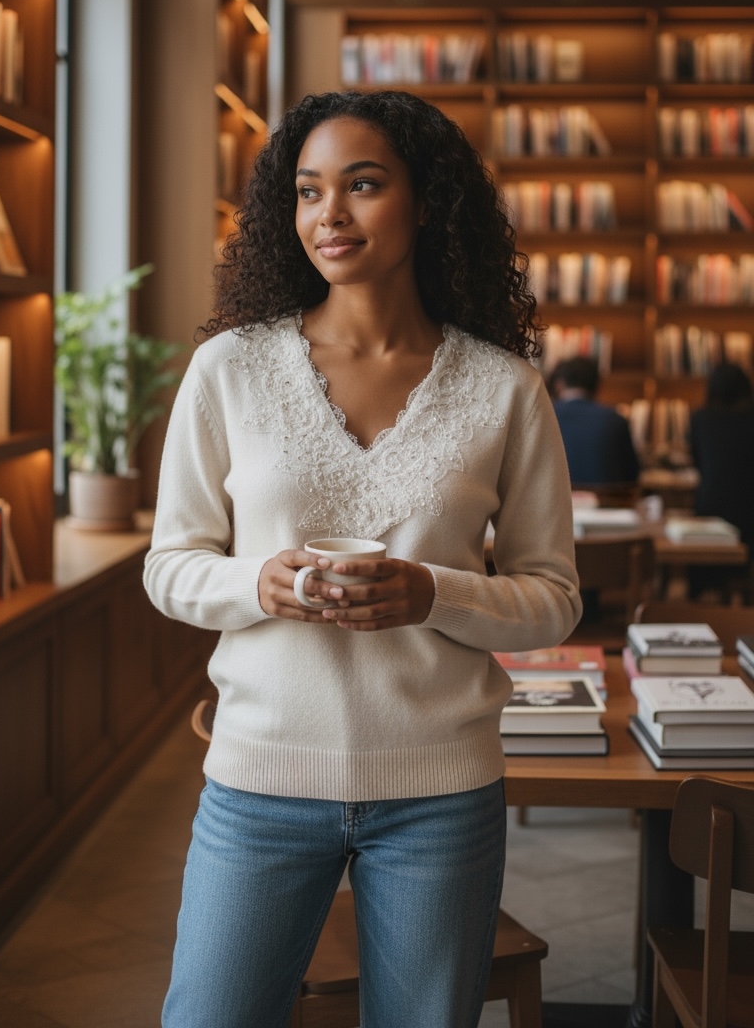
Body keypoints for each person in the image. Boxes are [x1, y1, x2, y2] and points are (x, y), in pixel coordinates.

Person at [143, 89, 582, 1028]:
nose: (329, 214)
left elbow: (552, 598)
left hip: (440, 792)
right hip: (260, 781)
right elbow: (170, 565)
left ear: (427, 203)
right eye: (308, 191)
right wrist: (255, 582)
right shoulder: (231, 369)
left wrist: (432, 593)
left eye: (364, 185)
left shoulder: (505, 388)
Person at [688, 361, 754, 598]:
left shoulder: (699, 419)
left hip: (710, 509)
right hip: (748, 514)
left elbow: (698, 464)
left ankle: (696, 597)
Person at [550, 355, 640, 488]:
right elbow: (632, 475)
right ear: (597, 385)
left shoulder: (547, 416)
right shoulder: (616, 420)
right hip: (608, 500)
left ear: (559, 384)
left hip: (559, 499)